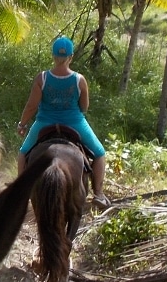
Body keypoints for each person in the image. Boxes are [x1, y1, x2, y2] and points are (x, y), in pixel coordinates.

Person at [16, 37, 109, 209]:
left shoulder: (42, 78)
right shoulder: (79, 80)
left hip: (44, 122)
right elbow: (84, 107)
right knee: (99, 153)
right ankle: (99, 193)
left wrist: (22, 124)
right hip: (75, 122)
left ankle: (21, 192)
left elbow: (31, 106)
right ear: (70, 57)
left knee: (23, 152)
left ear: (53, 56)